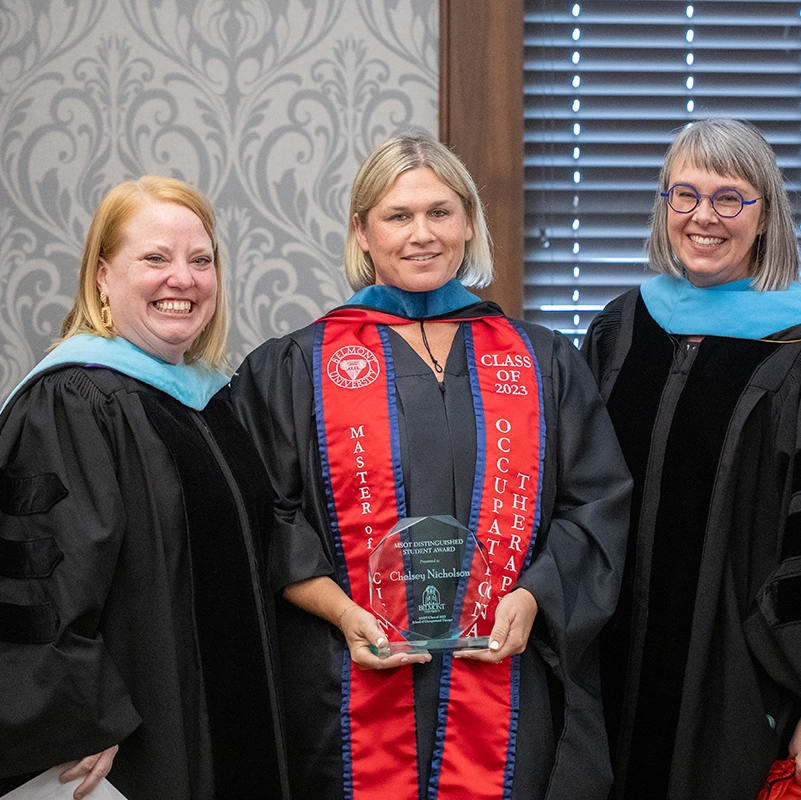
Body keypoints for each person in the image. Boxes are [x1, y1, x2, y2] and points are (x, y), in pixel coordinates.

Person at [230, 134, 632, 799]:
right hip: (345, 676)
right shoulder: (294, 364)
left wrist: (532, 599)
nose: (422, 234)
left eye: (440, 212)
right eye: (397, 216)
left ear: (468, 222)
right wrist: (340, 612)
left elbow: (596, 505)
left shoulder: (541, 360)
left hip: (506, 679)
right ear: (362, 232)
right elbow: (263, 510)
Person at [0, 176, 289, 799]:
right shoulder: (72, 400)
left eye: (200, 260)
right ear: (103, 276)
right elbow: (42, 579)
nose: (182, 279)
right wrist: (75, 715)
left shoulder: (216, 402)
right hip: (131, 737)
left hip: (233, 717)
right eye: (155, 258)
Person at [581, 117, 801, 799]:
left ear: (763, 216)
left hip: (735, 670)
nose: (703, 216)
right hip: (604, 658)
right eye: (685, 195)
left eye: (729, 197)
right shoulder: (620, 328)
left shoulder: (792, 345)